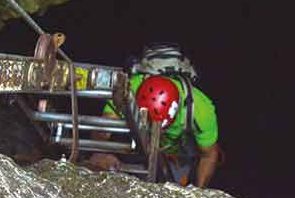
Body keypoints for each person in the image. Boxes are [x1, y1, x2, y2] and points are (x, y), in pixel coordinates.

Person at [89, 74, 221, 188]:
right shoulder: (130, 89)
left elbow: (209, 155)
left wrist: (198, 192)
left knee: (178, 180)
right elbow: (104, 126)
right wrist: (98, 152)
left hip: (178, 149)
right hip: (139, 137)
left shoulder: (202, 111)